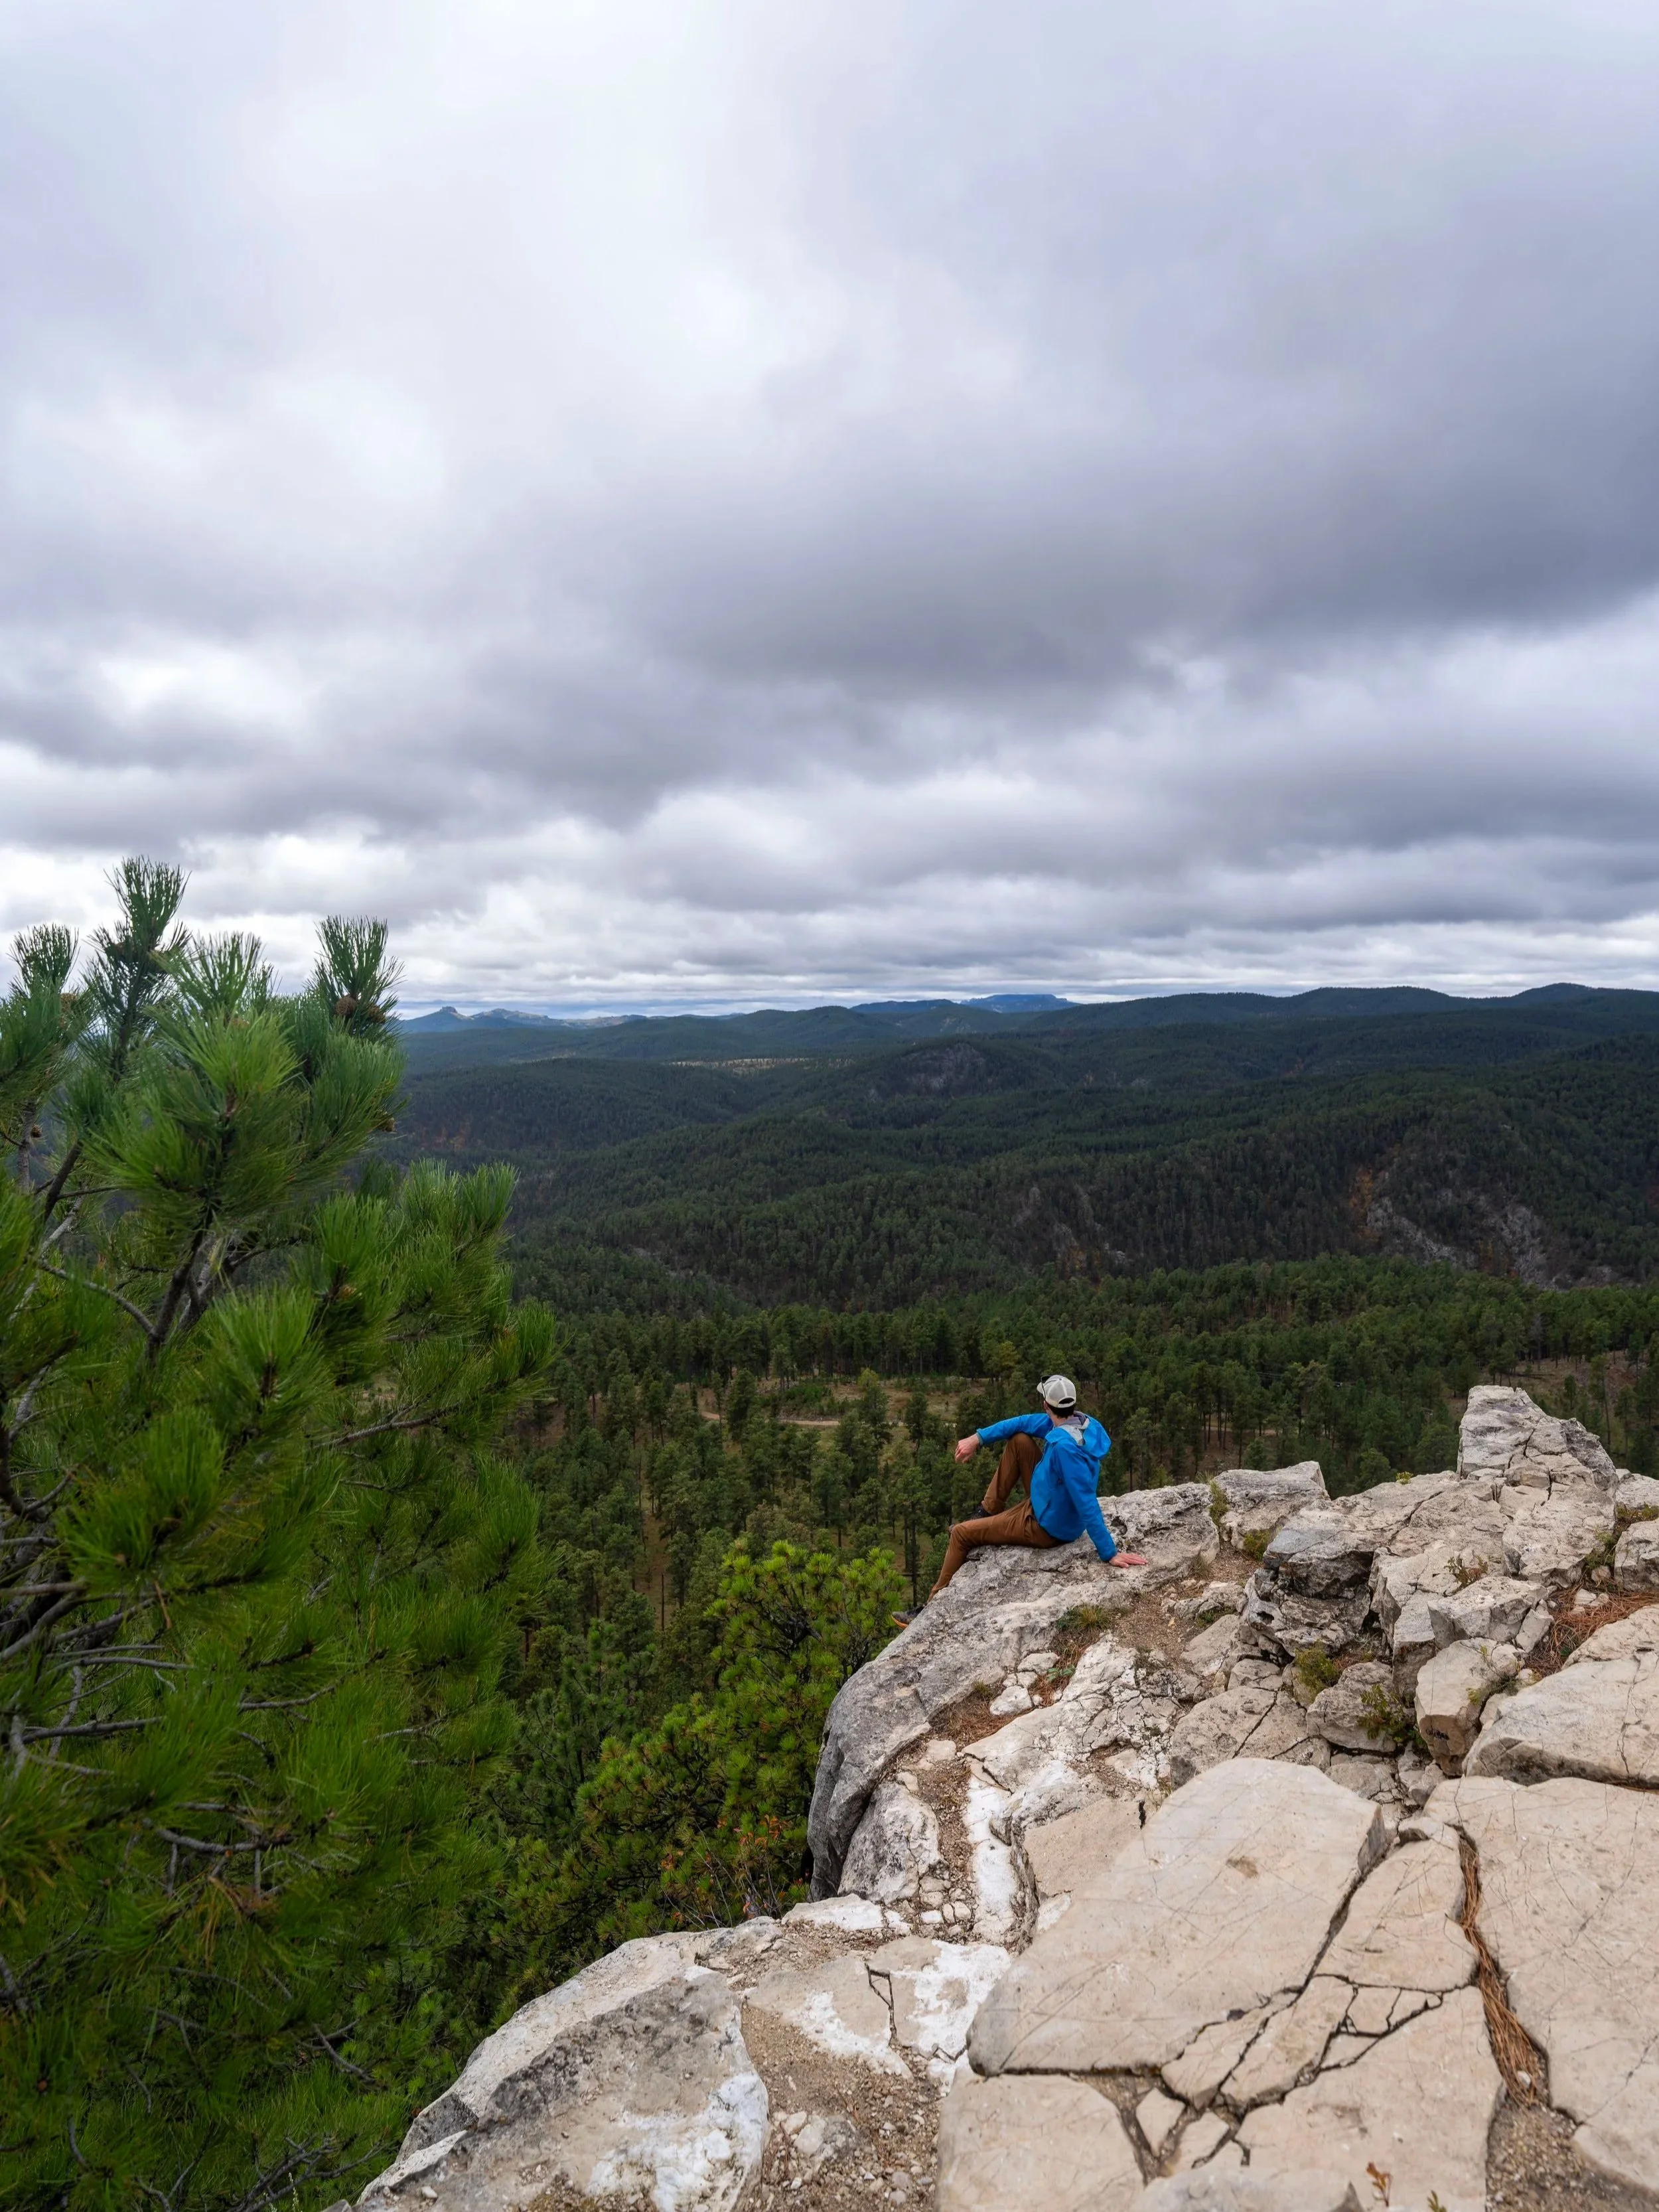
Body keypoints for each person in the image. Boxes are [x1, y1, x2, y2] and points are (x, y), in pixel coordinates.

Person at [892, 1374, 1145, 1627]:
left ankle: (929, 1611)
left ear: (1047, 1406)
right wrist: (977, 1439)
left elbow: (1086, 1500)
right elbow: (1020, 1423)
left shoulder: (1065, 1449)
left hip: (1044, 1525)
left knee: (960, 1534)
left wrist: (1109, 1552)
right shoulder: (1080, 1425)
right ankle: (987, 1510)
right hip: (1052, 1502)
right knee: (1020, 1441)